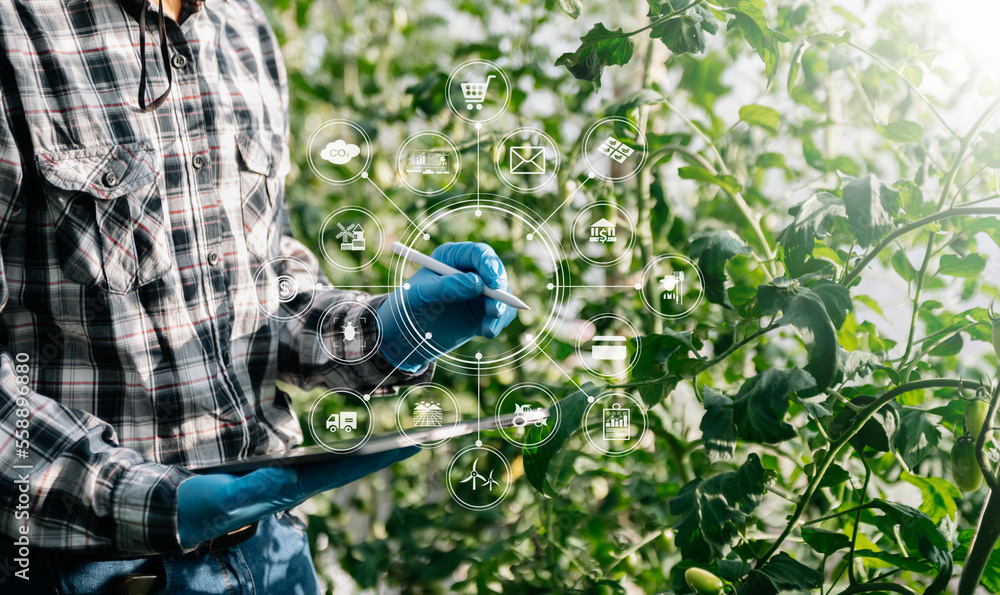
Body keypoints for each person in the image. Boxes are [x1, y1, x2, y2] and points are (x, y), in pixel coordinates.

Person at [0, 0, 517, 592]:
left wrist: (393, 329)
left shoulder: (243, 28)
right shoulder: (17, 31)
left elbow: (271, 288)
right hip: (92, 569)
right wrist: (151, 498)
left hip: (270, 553)